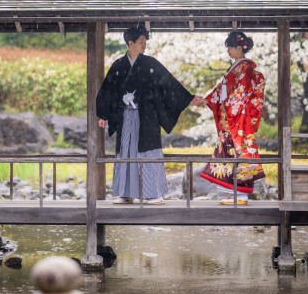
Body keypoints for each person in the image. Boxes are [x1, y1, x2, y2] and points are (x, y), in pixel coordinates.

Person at [96, 25, 201, 205]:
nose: (144, 45)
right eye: (141, 42)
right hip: (125, 117)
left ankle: (154, 193)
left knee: (148, 152)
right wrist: (103, 114)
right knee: (126, 152)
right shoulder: (118, 65)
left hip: (147, 117)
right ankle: (125, 192)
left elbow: (169, 84)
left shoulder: (151, 64)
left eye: (145, 41)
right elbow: (108, 90)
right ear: (130, 43)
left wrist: (188, 99)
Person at [196, 31, 266, 205]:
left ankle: (240, 195)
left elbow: (240, 95)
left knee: (239, 153)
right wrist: (207, 100)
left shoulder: (245, 69)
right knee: (228, 154)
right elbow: (221, 90)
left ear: (239, 48)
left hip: (238, 119)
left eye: (230, 47)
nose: (228, 50)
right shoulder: (236, 68)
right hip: (231, 119)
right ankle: (230, 193)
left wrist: (226, 108)